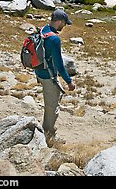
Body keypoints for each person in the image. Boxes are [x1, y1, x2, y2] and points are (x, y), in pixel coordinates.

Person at [34, 9, 77, 146]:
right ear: (59, 21)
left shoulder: (43, 30)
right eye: (64, 23)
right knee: (52, 108)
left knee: (51, 103)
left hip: (39, 73)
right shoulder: (54, 38)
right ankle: (48, 136)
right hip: (49, 76)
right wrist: (69, 82)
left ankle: (47, 131)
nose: (64, 27)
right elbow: (59, 64)